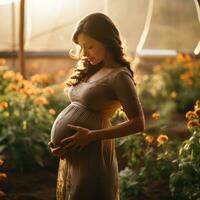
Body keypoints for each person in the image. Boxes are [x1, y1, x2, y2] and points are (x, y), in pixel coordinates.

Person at [48, 12, 145, 200]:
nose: (84, 54)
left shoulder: (119, 76)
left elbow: (138, 123)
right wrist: (60, 145)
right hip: (77, 155)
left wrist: (92, 136)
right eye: (82, 47)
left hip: (94, 154)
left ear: (107, 41)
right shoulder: (92, 69)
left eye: (89, 46)